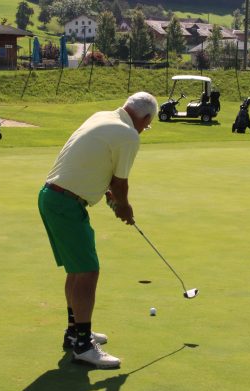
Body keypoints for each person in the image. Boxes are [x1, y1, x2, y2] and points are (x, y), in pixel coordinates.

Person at [38, 92, 158, 369]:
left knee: (77, 270)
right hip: (65, 203)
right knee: (88, 272)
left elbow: (91, 163)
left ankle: (75, 332)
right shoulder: (129, 135)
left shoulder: (102, 116)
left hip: (53, 196)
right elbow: (120, 183)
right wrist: (124, 207)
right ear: (144, 118)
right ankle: (83, 346)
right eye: (147, 125)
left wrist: (106, 193)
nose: (144, 129)